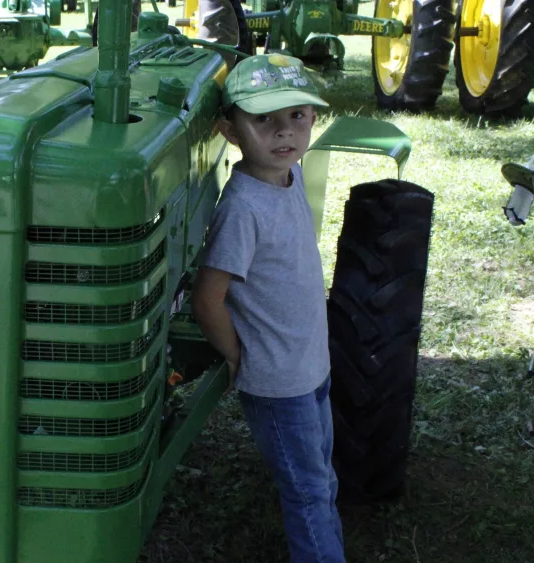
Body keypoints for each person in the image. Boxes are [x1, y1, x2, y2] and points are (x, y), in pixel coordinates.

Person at [191, 53, 345, 563]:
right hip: (279, 383)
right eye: (264, 120)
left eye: (297, 116)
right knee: (307, 494)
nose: (285, 132)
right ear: (230, 131)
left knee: (320, 478)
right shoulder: (242, 209)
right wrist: (237, 355)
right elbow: (207, 297)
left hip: (311, 366)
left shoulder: (289, 175)